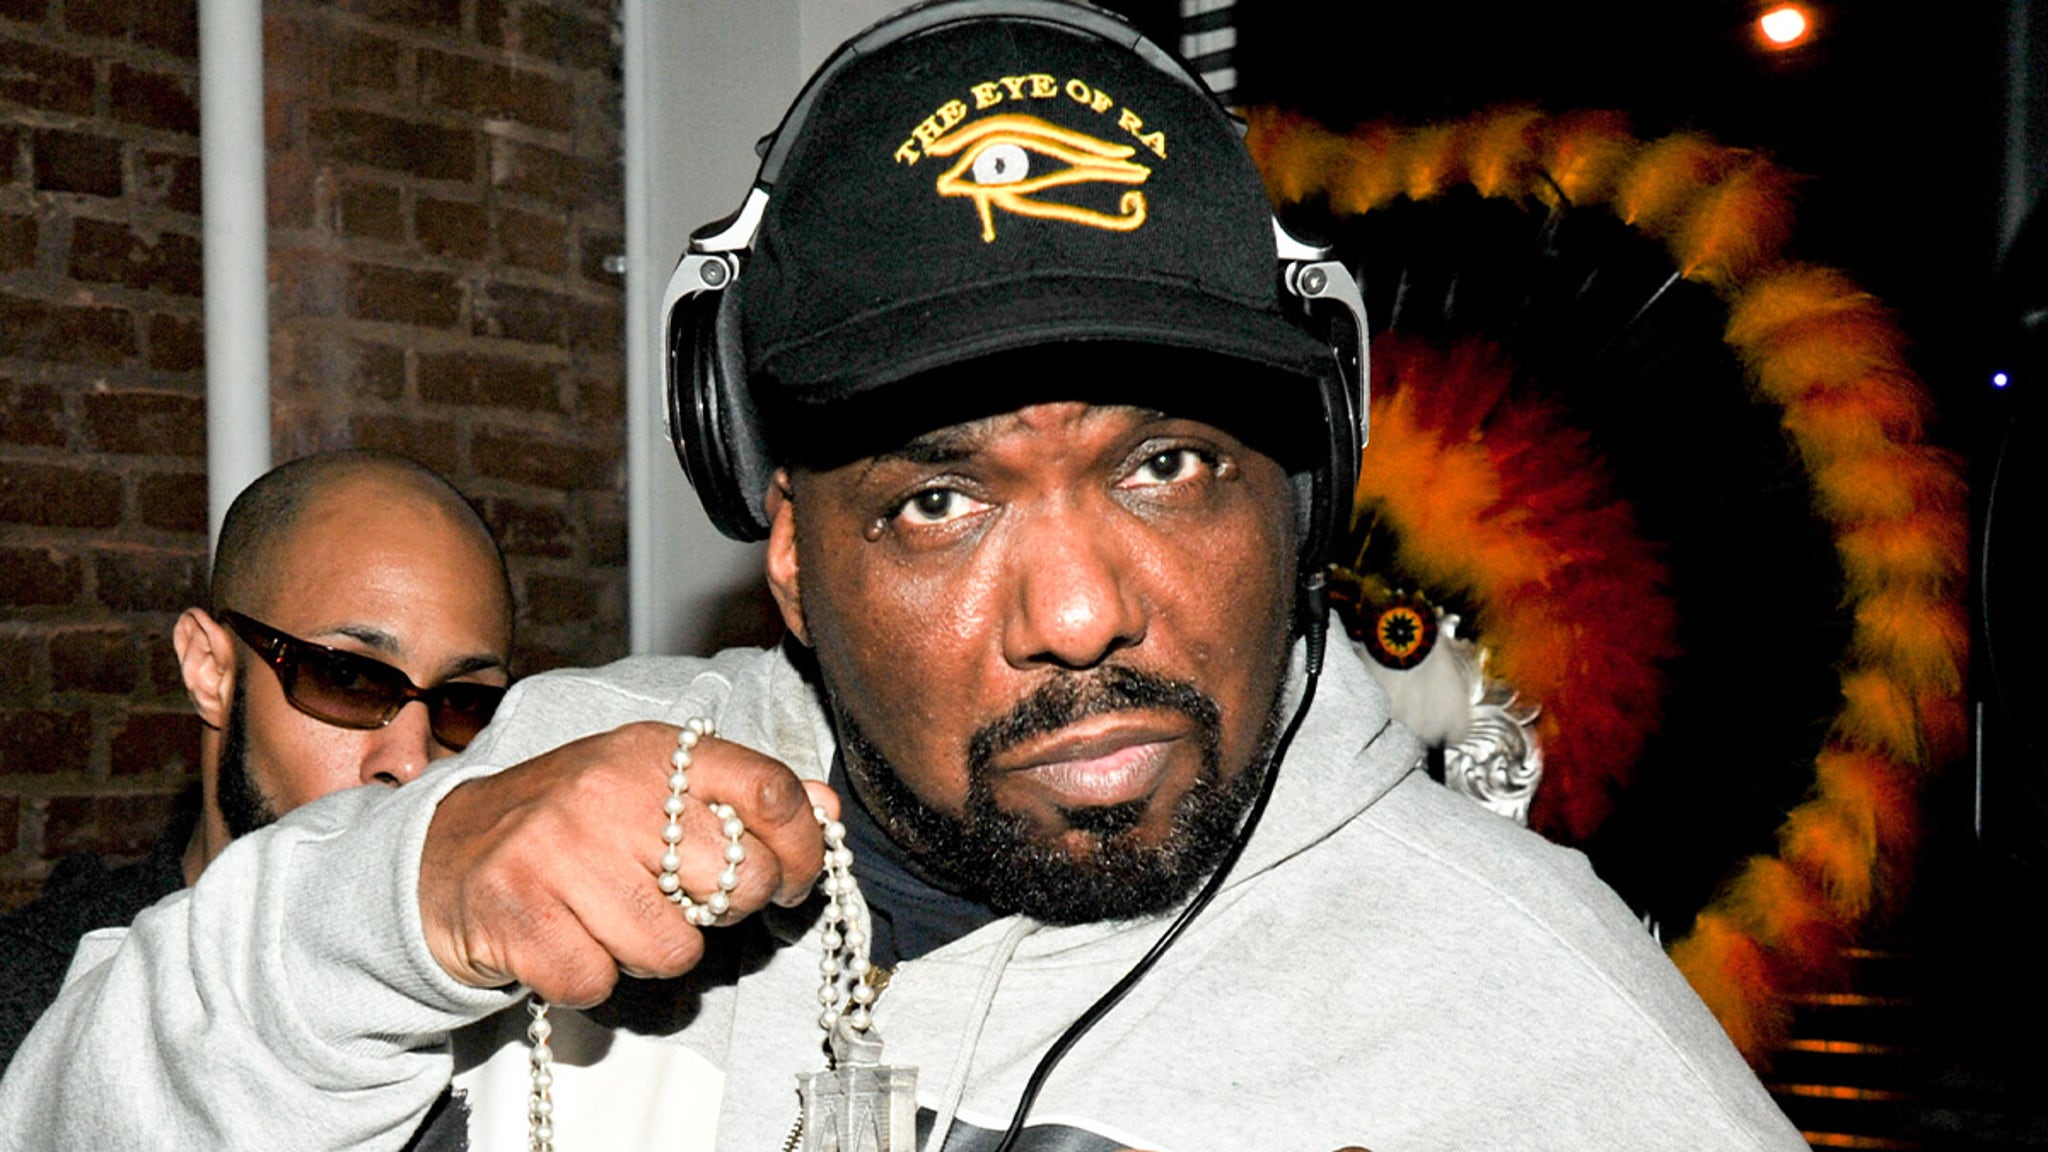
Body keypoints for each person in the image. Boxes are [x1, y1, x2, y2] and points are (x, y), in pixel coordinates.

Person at [0, 5, 1806, 1150]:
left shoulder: (1534, 1017)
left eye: (1166, 465)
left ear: (1302, 491)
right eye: (939, 500)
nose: (1079, 613)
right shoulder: (568, 776)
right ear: (789, 553)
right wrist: (401, 910)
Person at [0, 451, 514, 1074]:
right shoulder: (38, 1012)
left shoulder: (530, 1006)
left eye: (464, 703)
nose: (412, 762)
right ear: (210, 671)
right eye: (347, 677)